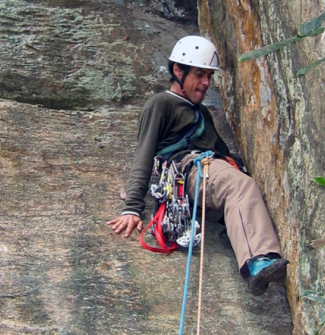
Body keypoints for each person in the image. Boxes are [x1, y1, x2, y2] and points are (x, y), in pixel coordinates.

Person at [107, 35, 288, 293]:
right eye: (200, 75)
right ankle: (257, 259)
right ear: (178, 71)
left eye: (209, 77)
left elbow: (222, 153)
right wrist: (132, 208)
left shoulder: (202, 113)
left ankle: (245, 239)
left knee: (238, 180)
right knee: (238, 186)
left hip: (206, 172)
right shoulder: (161, 104)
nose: (206, 83)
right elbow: (143, 155)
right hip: (190, 169)